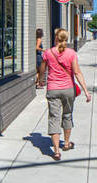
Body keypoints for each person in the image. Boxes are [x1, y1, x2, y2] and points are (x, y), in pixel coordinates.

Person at [38, 28, 91, 160]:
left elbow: (42, 69)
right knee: (67, 115)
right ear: (66, 39)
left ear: (56, 37)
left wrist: (40, 80)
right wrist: (86, 91)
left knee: (54, 118)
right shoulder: (71, 53)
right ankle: (66, 144)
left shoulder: (48, 53)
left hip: (53, 89)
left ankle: (56, 151)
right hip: (68, 89)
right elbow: (77, 72)